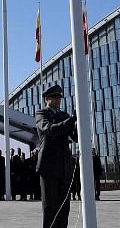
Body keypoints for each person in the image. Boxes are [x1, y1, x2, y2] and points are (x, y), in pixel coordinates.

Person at [36, 84, 78, 228]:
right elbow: (50, 130)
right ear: (46, 99)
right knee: (50, 208)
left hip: (64, 167)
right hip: (48, 167)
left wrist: (79, 122)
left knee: (64, 209)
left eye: (59, 97)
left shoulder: (64, 116)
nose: (57, 100)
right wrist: (71, 120)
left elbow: (75, 137)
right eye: (54, 97)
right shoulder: (42, 114)